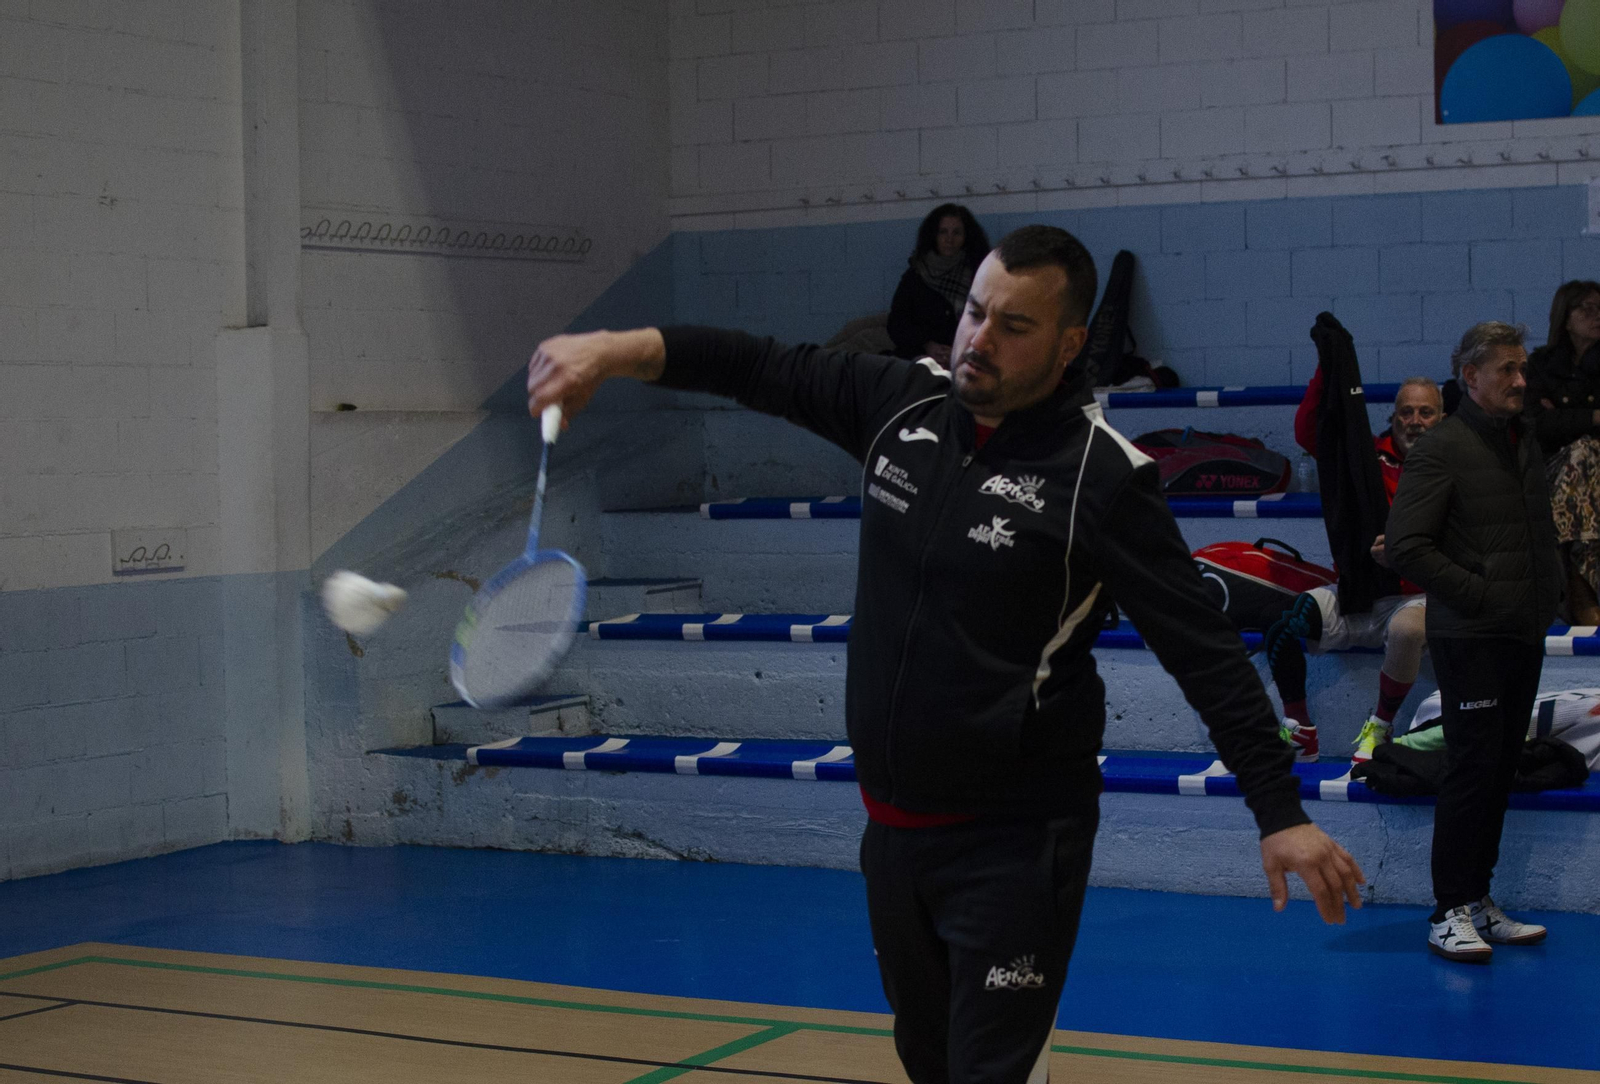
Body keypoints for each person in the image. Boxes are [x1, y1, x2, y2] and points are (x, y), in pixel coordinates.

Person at [526, 225, 1364, 1082]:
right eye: (974, 312)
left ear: (1072, 343)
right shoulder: (902, 404)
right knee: (931, 1067)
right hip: (893, 838)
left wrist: (1280, 812)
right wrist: (611, 347)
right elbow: (759, 365)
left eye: (1014, 327)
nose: (979, 340)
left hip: (1016, 844)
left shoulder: (1101, 478)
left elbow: (1205, 652)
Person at [1387, 321, 1562, 963]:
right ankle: (1448, 912)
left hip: (1520, 632)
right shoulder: (1442, 447)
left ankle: (1478, 900)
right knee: (1469, 771)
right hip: (1473, 637)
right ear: (1471, 378)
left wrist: (1542, 600)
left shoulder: (1519, 439)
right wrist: (1483, 592)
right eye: (1507, 370)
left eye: (1522, 368)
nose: (1521, 380)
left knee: (1497, 770)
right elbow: (1406, 545)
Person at [1268, 377, 1445, 764]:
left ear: (1442, 418)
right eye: (1406, 412)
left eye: (1426, 412)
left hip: (1419, 595)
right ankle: (1300, 730)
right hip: (1360, 593)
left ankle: (1380, 728)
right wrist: (1329, 364)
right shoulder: (1366, 458)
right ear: (1393, 417)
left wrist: (1406, 554)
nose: (1415, 421)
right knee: (1288, 623)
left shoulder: (1456, 466)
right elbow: (1308, 432)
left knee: (1407, 629)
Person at [1526, 279, 1600, 625]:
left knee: (1584, 454)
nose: (1596, 315)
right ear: (1565, 316)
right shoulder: (1541, 364)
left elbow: (1553, 421)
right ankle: (1579, 590)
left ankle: (1576, 589)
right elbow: (1536, 424)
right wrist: (1593, 416)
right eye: (1586, 308)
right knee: (1580, 455)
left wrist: (1562, 416)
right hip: (1555, 469)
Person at [886, 203, 990, 364]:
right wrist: (927, 345)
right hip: (920, 354)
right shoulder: (916, 275)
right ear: (934, 235)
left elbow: (985, 321)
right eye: (943, 232)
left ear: (966, 236)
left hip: (965, 355)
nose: (949, 239)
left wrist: (958, 349)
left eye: (956, 232)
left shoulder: (978, 274)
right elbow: (897, 324)